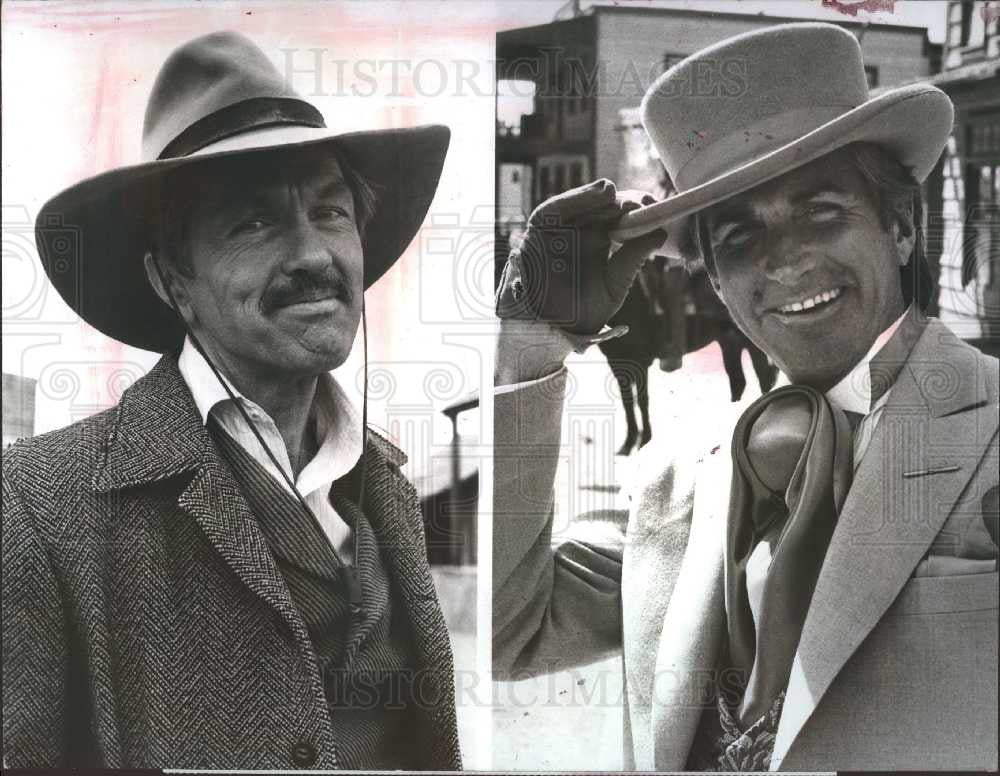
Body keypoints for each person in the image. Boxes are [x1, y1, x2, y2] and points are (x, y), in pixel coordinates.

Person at [494, 23, 998, 771]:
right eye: (737, 238)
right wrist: (533, 342)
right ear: (717, 283)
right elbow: (509, 631)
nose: (786, 260)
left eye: (823, 212)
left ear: (898, 226)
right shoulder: (679, 476)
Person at [3, 31, 461, 770]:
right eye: (253, 223)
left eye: (331, 211)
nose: (314, 255)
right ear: (171, 282)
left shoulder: (385, 489)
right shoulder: (38, 509)